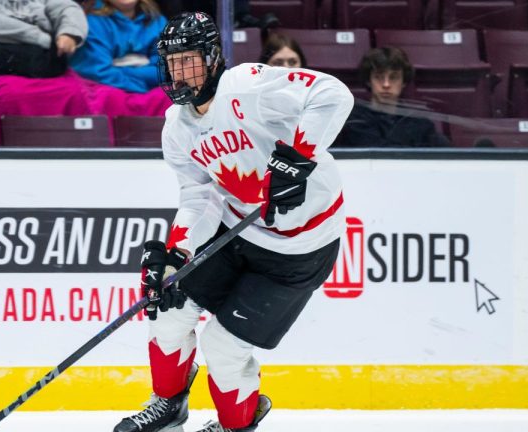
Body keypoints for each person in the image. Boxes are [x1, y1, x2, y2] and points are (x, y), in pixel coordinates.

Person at [114, 11, 353, 432]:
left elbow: (332, 94)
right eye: (172, 62)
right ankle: (168, 405)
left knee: (222, 347)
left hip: (300, 248)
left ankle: (234, 426)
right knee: (168, 306)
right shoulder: (177, 127)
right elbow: (198, 195)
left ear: (210, 59)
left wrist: (298, 159)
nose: (179, 72)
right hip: (236, 232)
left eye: (188, 59)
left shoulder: (249, 85)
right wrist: (178, 253)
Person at [339, 46, 450, 147]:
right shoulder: (353, 120)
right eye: (378, 77)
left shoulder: (419, 121)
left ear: (404, 82)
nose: (386, 84)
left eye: (393, 77)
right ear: (369, 81)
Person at [0, 0, 88, 79]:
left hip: (39, 67)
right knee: (16, 97)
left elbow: (67, 8)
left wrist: (70, 33)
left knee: (89, 96)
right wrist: (37, 37)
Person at [69, 0, 167, 93]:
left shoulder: (157, 20)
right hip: (105, 92)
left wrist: (122, 69)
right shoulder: (91, 21)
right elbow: (99, 72)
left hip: (144, 90)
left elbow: (166, 69)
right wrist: (143, 88)